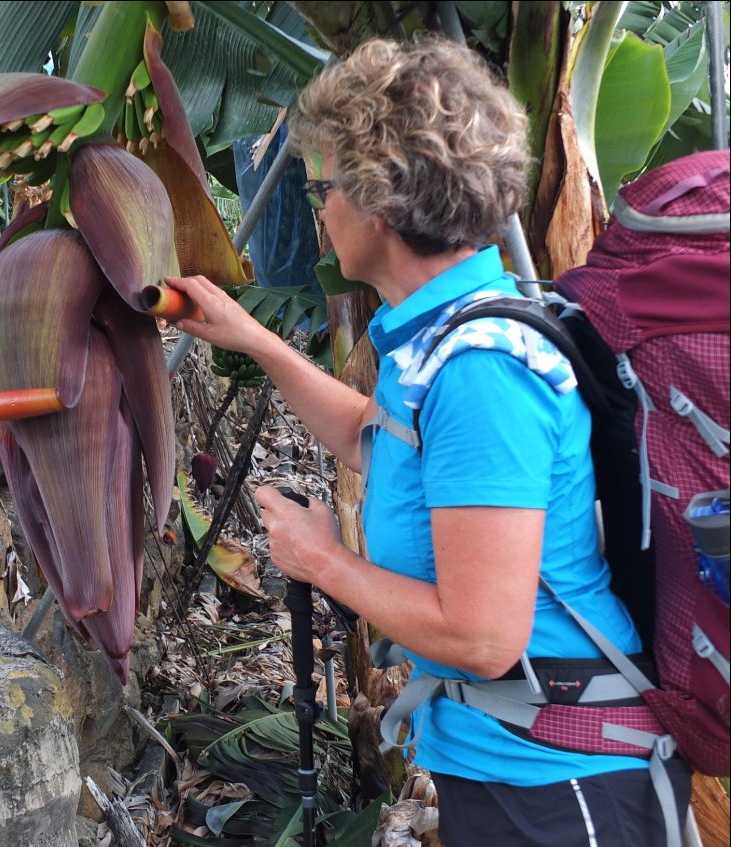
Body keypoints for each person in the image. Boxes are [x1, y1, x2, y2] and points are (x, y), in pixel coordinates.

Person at [166, 37, 692, 847]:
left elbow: (483, 636)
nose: (318, 210)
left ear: (380, 199)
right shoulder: (440, 336)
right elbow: (371, 438)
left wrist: (321, 560)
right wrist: (254, 340)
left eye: (324, 188)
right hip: (505, 760)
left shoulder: (482, 370)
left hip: (563, 786)